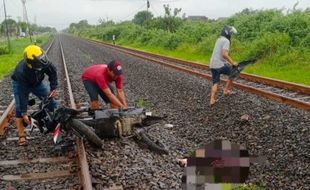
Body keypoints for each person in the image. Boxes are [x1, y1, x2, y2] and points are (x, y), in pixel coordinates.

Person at [11, 45, 58, 145]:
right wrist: (24, 113)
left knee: (51, 102)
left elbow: (53, 73)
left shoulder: (44, 61)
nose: (42, 66)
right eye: (38, 65)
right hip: (21, 84)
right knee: (19, 108)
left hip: (37, 83)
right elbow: (22, 93)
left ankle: (57, 126)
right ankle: (21, 135)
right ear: (30, 64)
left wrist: (53, 88)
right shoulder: (21, 72)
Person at [209, 25, 238, 105]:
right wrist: (233, 63)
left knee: (215, 82)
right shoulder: (226, 41)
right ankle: (226, 90)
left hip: (212, 64)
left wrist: (227, 63)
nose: (231, 35)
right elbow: (224, 54)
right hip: (219, 65)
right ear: (227, 33)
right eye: (231, 33)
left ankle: (212, 99)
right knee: (234, 72)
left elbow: (219, 55)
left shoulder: (218, 39)